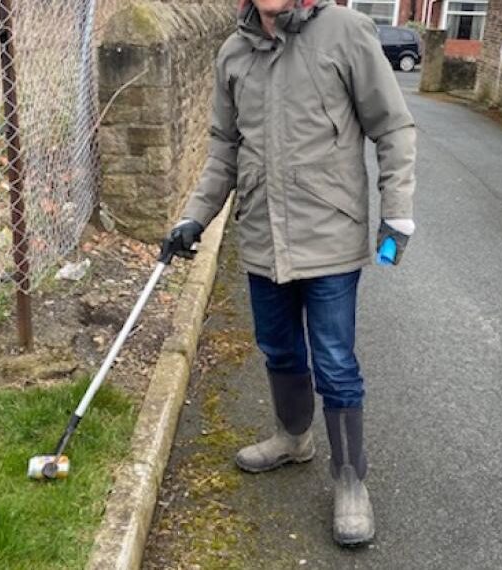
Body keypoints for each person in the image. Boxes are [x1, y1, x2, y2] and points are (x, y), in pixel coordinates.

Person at [159, 0, 416, 547]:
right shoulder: (233, 53)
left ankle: (350, 481)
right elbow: (224, 150)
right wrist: (193, 217)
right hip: (259, 235)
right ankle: (293, 437)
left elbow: (392, 127)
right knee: (278, 349)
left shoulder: (346, 32)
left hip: (330, 236)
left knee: (335, 361)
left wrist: (397, 212)